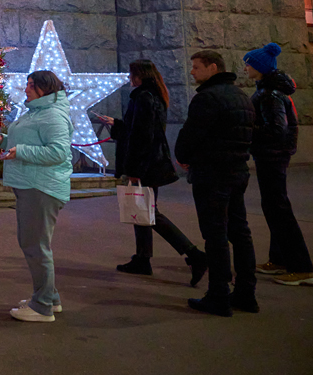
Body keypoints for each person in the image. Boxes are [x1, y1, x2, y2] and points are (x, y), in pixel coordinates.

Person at [94, 59, 207, 285]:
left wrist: (134, 170)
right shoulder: (153, 95)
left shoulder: (143, 97)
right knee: (142, 211)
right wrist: (116, 124)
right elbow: (139, 130)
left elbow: (142, 137)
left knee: (149, 212)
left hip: (146, 164)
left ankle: (194, 254)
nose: (129, 79)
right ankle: (142, 258)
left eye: (131, 74)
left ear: (139, 75)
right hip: (151, 162)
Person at [0, 70, 73, 322]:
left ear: (46, 88)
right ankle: (49, 298)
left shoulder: (52, 115)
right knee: (35, 244)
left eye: (32, 85)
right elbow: (28, 141)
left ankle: (42, 306)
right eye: (27, 84)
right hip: (32, 185)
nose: (26, 89)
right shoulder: (37, 112)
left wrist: (20, 150)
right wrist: (3, 140)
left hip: (41, 188)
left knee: (35, 246)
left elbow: (57, 152)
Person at [175, 50, 257, 316]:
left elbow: (191, 135)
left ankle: (218, 294)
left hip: (212, 174)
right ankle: (246, 292)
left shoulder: (207, 98)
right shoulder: (241, 96)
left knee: (216, 235)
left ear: (212, 67)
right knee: (240, 232)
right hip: (237, 171)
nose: (192, 72)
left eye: (196, 67)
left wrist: (184, 157)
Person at [242, 43, 312, 286]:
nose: (246, 67)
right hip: (271, 154)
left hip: (272, 155)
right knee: (274, 207)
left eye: (249, 63)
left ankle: (301, 267)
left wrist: (250, 129)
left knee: (279, 208)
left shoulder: (270, 95)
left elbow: (276, 129)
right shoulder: (269, 91)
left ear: (260, 67)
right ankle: (279, 259)